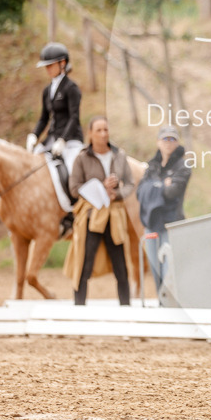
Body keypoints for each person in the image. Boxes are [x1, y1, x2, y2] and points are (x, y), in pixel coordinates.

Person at [66, 116, 134, 306]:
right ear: (90, 134)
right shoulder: (82, 158)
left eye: (106, 129)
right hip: (92, 216)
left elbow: (130, 183)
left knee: (120, 266)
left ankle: (126, 308)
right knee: (84, 263)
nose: (104, 134)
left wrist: (117, 194)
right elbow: (74, 188)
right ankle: (79, 308)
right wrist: (98, 188)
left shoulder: (119, 155)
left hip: (114, 216)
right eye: (99, 130)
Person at [27, 42, 82, 237]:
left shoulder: (72, 88)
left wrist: (64, 140)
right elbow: (44, 118)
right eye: (46, 66)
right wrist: (34, 135)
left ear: (62, 63)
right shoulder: (47, 90)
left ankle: (71, 214)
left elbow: (74, 117)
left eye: (50, 65)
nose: (48, 70)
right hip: (51, 139)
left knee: (71, 169)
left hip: (71, 139)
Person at [136, 125, 190, 297]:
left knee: (169, 270)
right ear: (158, 142)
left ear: (177, 142)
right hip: (151, 223)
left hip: (171, 224)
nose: (168, 142)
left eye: (172, 139)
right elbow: (140, 192)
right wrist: (161, 185)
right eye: (165, 139)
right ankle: (161, 304)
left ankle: (170, 305)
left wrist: (153, 187)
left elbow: (173, 192)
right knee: (155, 269)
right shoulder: (152, 165)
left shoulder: (183, 166)